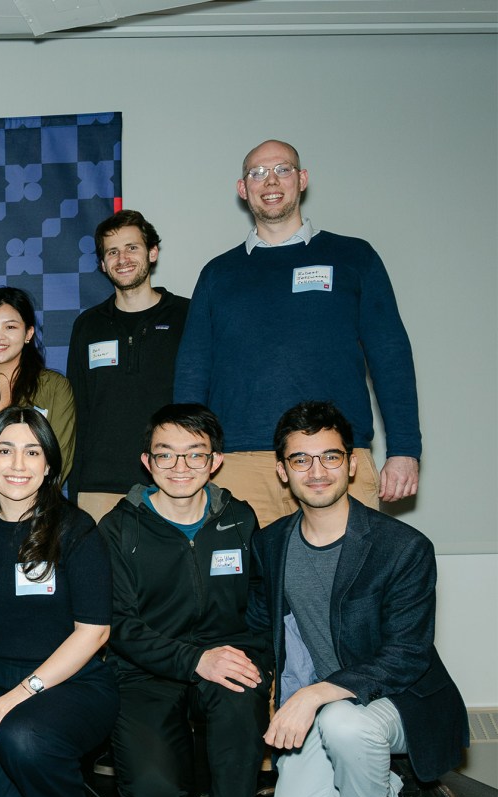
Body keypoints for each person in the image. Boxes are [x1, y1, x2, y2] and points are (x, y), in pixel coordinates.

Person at [250, 402, 468, 797]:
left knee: (348, 724)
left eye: (330, 457)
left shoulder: (402, 547)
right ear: (282, 471)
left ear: (351, 464)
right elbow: (261, 628)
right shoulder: (272, 542)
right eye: (301, 460)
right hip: (321, 707)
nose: (317, 471)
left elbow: (408, 654)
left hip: (397, 700)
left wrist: (315, 695)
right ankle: (401, 788)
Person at [174, 140, 421, 525]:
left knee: (350, 583)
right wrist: (189, 457)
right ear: (243, 189)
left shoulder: (355, 258)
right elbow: (192, 370)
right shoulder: (217, 274)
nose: (270, 180)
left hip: (336, 458)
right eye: (257, 173)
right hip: (241, 466)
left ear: (302, 179)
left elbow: (390, 355)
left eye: (282, 169)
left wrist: (405, 449)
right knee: (248, 585)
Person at [98, 404, 270, 797]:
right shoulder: (119, 528)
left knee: (242, 690)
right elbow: (120, 624)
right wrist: (195, 659)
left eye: (195, 455)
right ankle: (162, 771)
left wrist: (259, 659)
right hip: (146, 668)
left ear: (215, 460)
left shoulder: (238, 518)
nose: (180, 468)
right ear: (147, 462)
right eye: (166, 456)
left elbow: (258, 601)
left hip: (226, 654)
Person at [0, 408, 116, 797]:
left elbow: (95, 631)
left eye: (33, 451)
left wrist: (23, 693)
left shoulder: (76, 528)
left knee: (23, 737)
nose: (18, 463)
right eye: (5, 450)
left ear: (49, 465)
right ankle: (46, 777)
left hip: (73, 683)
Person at [67, 210, 190, 522]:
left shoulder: (187, 317)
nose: (122, 258)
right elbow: (78, 409)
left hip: (172, 482)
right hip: (99, 489)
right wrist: (77, 486)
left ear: (152, 252)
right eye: (112, 252)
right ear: (102, 264)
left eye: (132, 247)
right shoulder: (87, 325)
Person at [0, 286, 75, 527]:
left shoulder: (55, 388)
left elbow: (59, 459)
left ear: (28, 333)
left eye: (10, 327)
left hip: (34, 520)